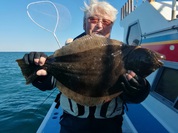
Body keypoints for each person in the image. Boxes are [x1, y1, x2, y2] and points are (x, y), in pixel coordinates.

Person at [23, 0, 150, 133]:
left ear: (112, 26)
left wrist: (140, 90)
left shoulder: (124, 54)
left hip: (110, 125)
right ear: (84, 24)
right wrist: (39, 70)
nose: (99, 26)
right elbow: (50, 83)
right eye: (93, 20)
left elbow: (131, 97)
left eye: (106, 22)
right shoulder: (68, 52)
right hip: (72, 124)